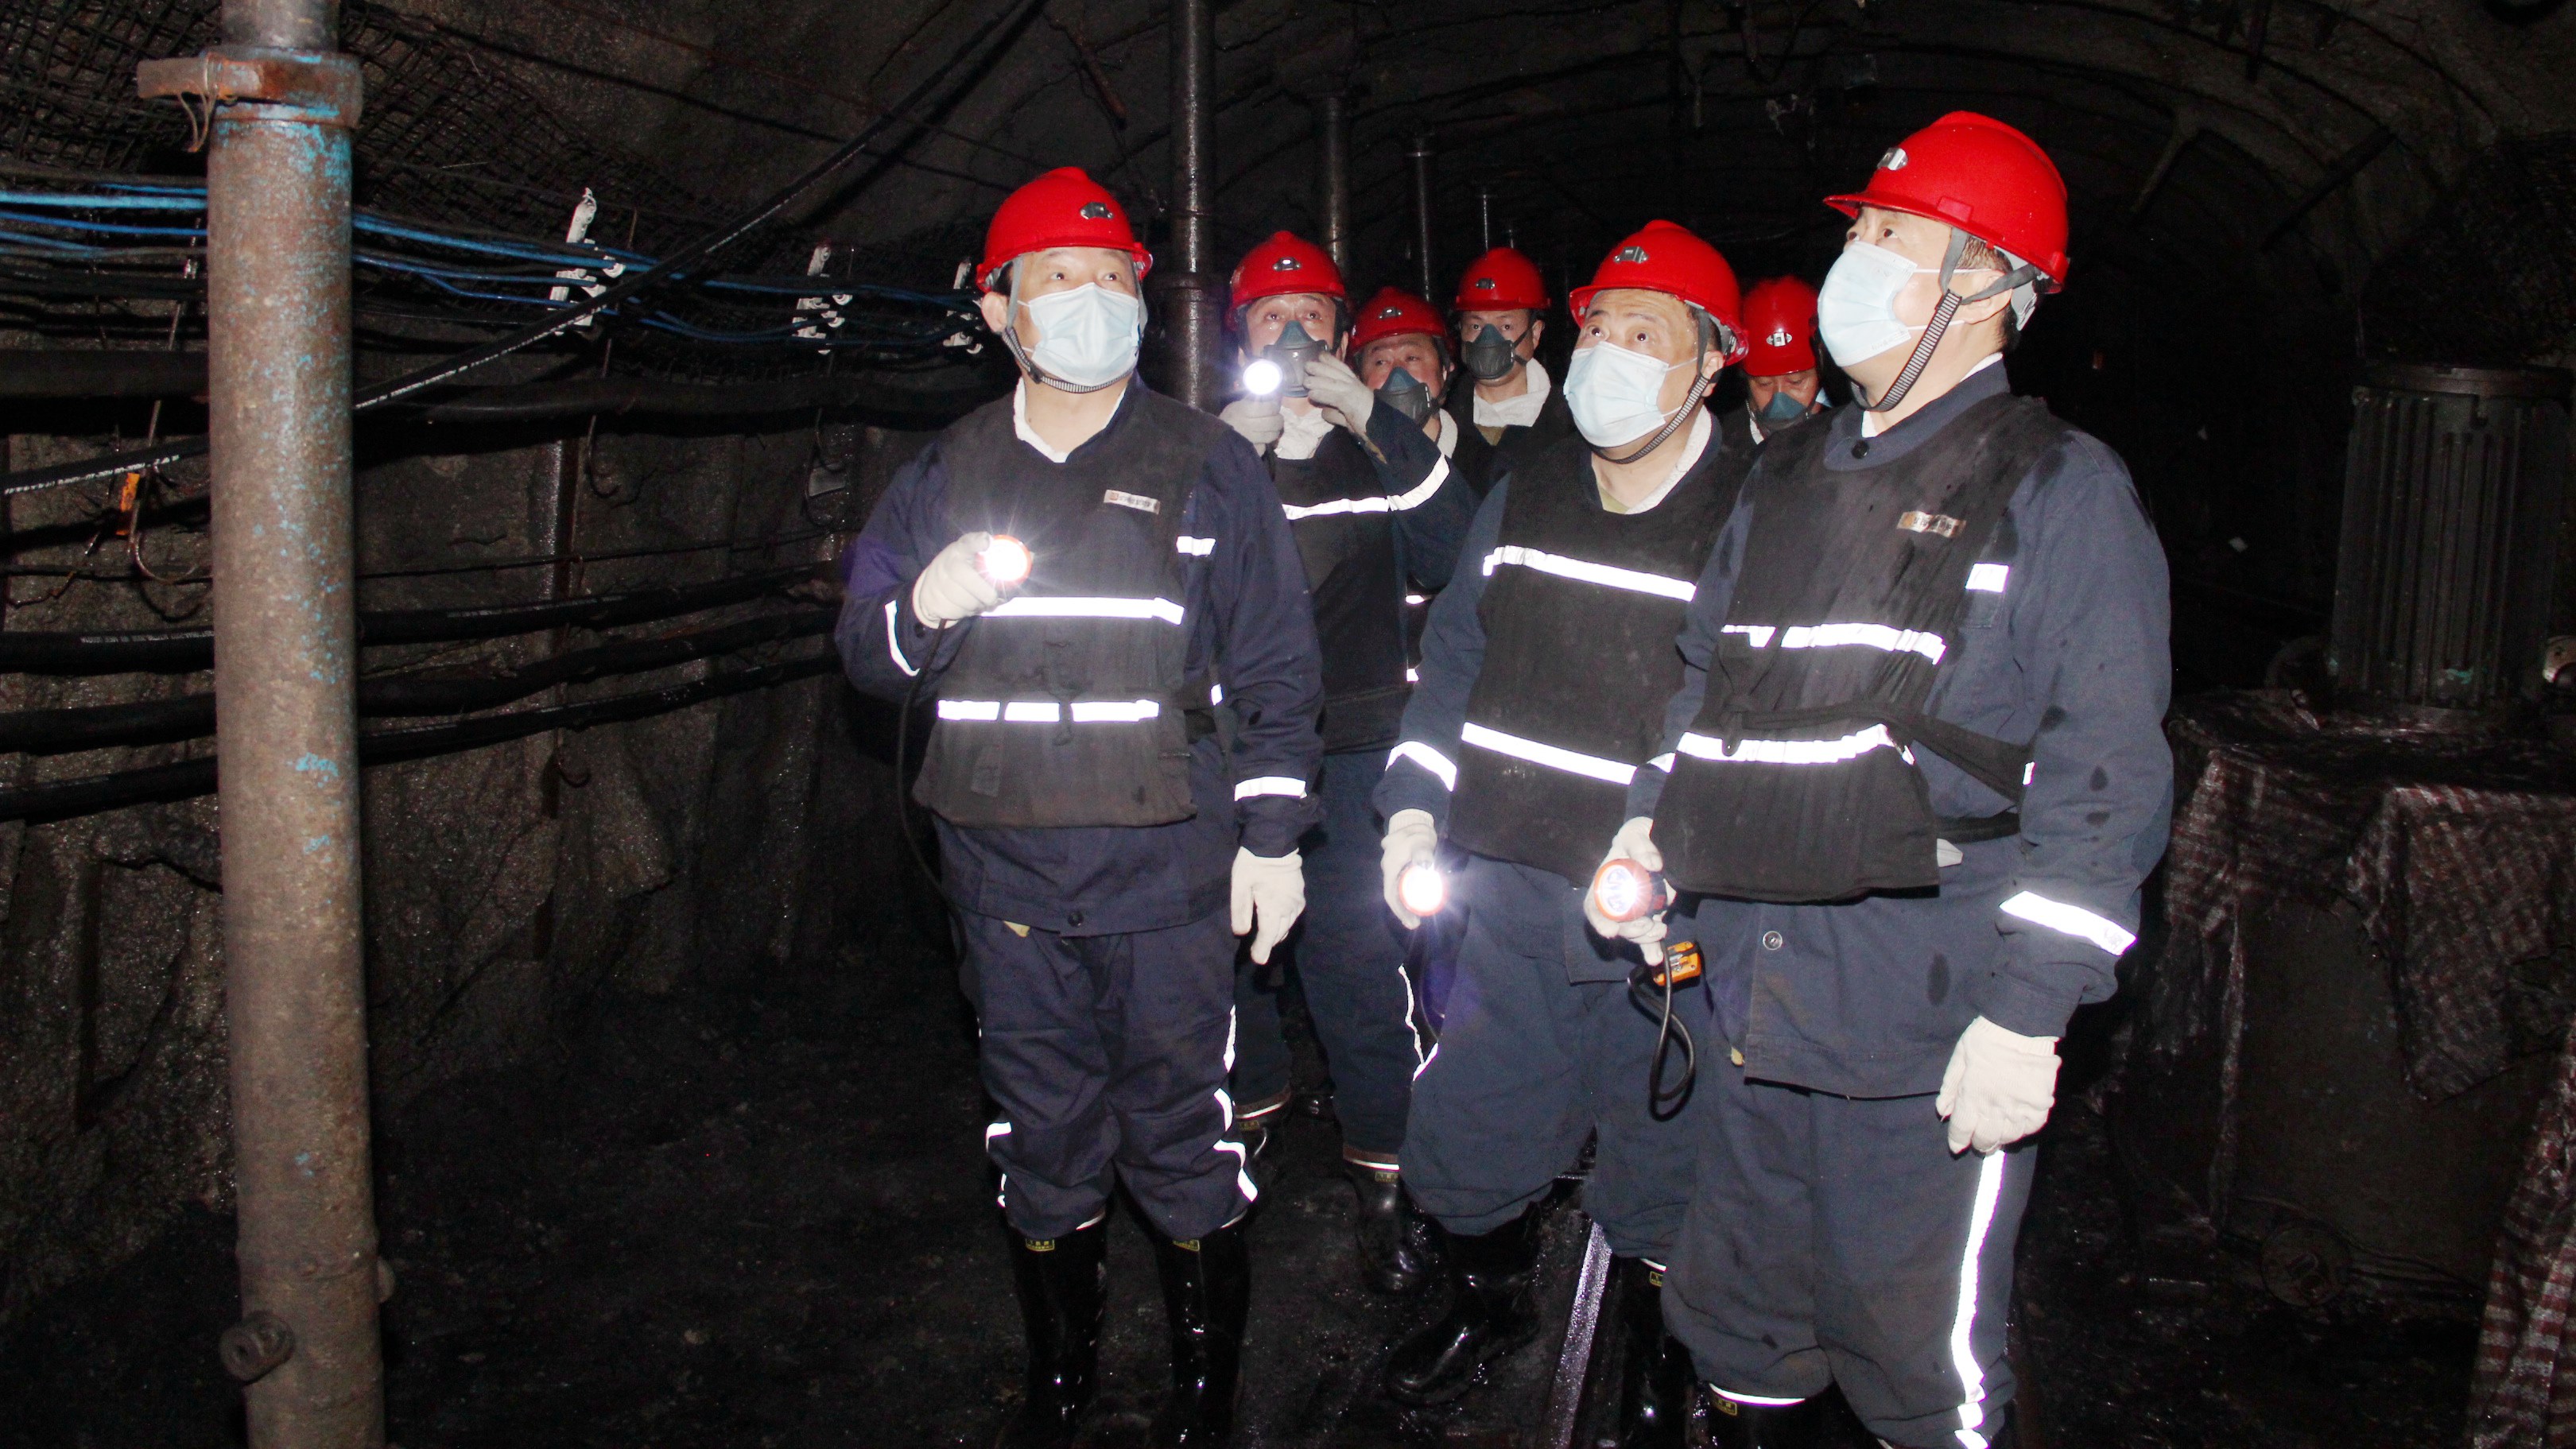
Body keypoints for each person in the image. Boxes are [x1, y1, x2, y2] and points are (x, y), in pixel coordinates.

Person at [1604, 114, 2172, 1449]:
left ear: (1989, 283)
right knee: (1742, 1322)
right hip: (1752, 989)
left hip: (1925, 1019)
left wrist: (2029, 1014)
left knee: (1916, 1361)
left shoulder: (2062, 490)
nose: (1856, 260)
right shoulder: (1784, 475)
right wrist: (1648, 831)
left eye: (1893, 236)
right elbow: (1708, 687)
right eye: (1862, 231)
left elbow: (2104, 769)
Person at [834, 167, 1322, 1449]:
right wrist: (921, 606)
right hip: (1003, 881)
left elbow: (1276, 665)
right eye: (1059, 279)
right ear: (999, 310)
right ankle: (1060, 1385)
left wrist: (1273, 836)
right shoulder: (944, 474)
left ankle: (1203, 1398)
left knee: (1179, 1134)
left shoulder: (1209, 464)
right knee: (1039, 1136)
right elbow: (866, 654)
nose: (1091, 300)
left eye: (1112, 279)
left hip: (1167, 874)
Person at [1372, 220, 1756, 1445]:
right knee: (1468, 1132)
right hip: (1504, 886)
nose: (1613, 352)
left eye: (1649, 332)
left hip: (1663, 917)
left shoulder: (1754, 518)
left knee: (1667, 1153)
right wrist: (1414, 805)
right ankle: (1492, 1305)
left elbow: (1746, 712)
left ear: (1713, 363)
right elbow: (1453, 661)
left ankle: (1662, 1349)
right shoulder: (1525, 490)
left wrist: (1666, 846)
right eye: (1601, 327)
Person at [1213, 248, 1469, 1297]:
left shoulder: (1377, 454)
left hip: (1360, 742)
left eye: (1312, 317)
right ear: (1239, 336)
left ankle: (1386, 1168)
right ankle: (1247, 1121)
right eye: (1270, 318)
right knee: (1234, 960)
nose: (1292, 337)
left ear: (1340, 333)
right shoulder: (1213, 451)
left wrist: (1378, 422)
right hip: (1242, 744)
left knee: (1358, 963)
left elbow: (1453, 552)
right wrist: (1224, 463)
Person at [1444, 246, 1573, 499]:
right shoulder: (1441, 425)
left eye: (1505, 325)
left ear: (1535, 333)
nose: (1488, 339)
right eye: (1476, 325)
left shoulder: (1574, 426)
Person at [1733, 276, 1826, 448]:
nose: (1780, 403)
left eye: (1796, 381)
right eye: (1764, 384)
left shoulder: (1854, 440)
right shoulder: (1722, 452)